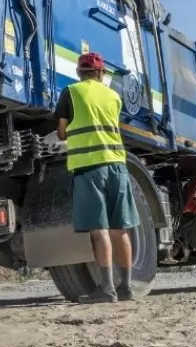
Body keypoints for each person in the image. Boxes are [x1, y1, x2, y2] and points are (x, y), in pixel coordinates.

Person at [54, 52, 138, 303]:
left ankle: (107, 290)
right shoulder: (113, 96)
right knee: (119, 229)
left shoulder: (72, 92)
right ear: (101, 73)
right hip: (117, 165)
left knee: (99, 230)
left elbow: (61, 133)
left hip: (89, 168)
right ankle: (127, 288)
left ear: (79, 73)